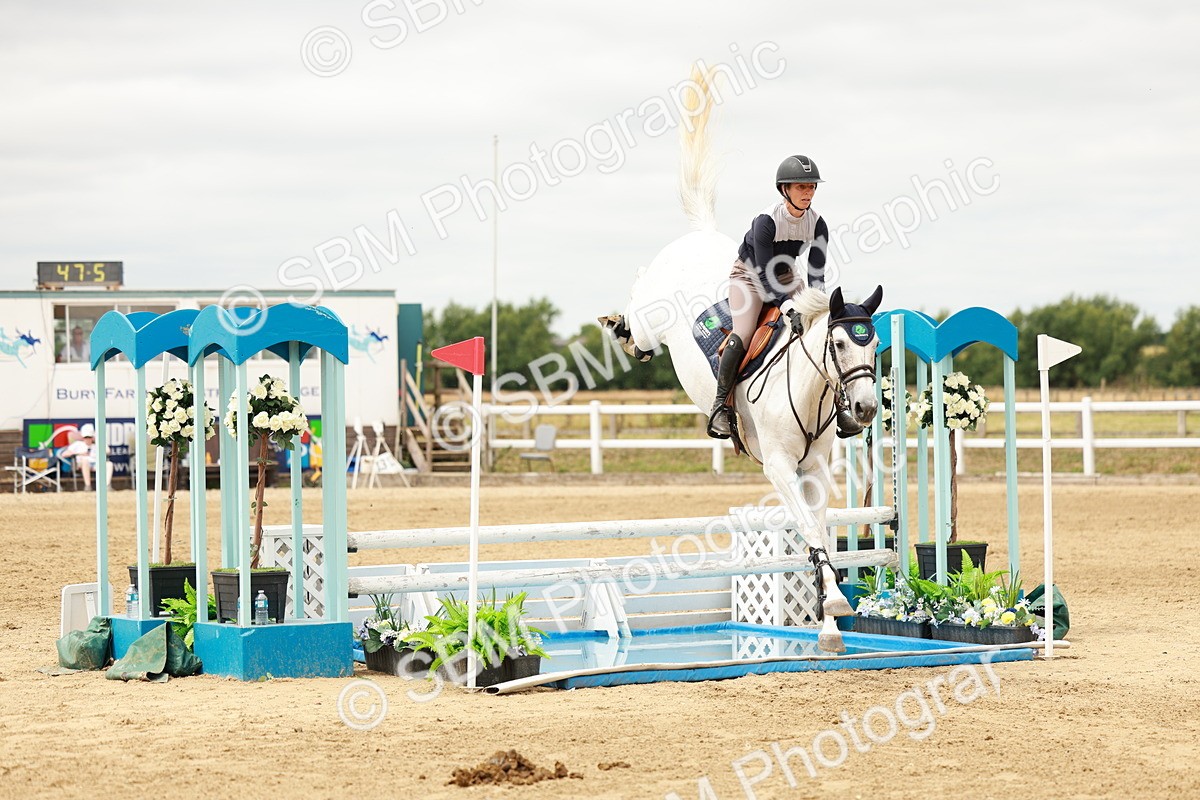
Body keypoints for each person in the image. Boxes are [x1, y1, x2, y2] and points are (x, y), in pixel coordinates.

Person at [707, 154, 829, 439]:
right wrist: (788, 308)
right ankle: (720, 407)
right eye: (801, 187)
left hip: (786, 275)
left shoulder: (818, 223)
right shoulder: (766, 222)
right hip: (749, 277)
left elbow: (816, 274)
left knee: (817, 328)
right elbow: (763, 276)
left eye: (811, 186)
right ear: (784, 189)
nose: (808, 192)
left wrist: (818, 308)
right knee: (744, 333)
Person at [59, 423, 98, 490]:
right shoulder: (77, 444)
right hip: (81, 464)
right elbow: (64, 454)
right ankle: (88, 486)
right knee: (85, 461)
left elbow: (108, 451)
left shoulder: (96, 445)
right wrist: (79, 453)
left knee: (109, 464)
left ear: (92, 437)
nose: (88, 439)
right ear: (82, 437)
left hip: (96, 464)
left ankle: (107, 486)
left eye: (90, 437)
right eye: (86, 437)